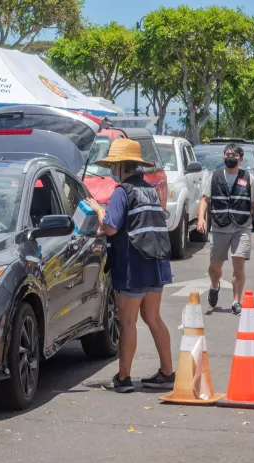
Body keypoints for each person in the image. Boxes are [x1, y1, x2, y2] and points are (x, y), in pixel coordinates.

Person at [85, 138, 175, 393]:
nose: (111, 170)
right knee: (153, 317)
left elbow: (111, 228)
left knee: (127, 322)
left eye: (113, 165)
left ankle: (123, 378)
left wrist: (98, 211)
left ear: (122, 166)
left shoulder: (121, 192)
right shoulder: (150, 190)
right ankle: (168, 372)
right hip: (156, 261)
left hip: (133, 264)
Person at [196, 144, 254, 316]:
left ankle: (236, 301)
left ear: (240, 159)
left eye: (233, 155)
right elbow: (205, 200)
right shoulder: (214, 177)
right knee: (215, 266)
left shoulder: (248, 178)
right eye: (227, 154)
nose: (229, 157)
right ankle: (214, 285)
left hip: (241, 227)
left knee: (238, 263)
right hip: (220, 226)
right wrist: (200, 219)